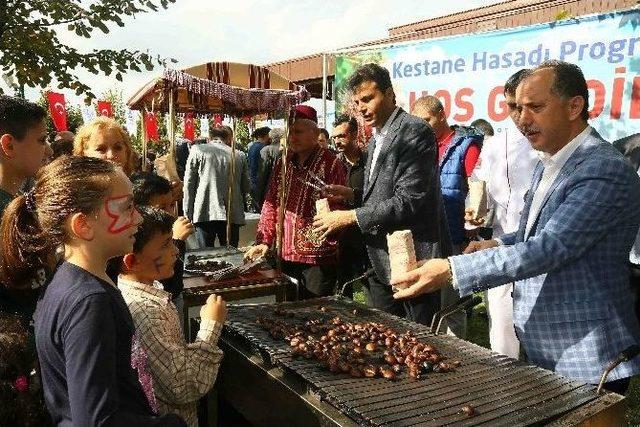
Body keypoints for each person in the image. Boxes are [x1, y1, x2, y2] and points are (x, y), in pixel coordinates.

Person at [392, 61, 640, 394]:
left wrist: (452, 269)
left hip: (586, 354)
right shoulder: (551, 161)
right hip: (548, 342)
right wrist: (496, 244)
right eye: (518, 108)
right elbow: (531, 236)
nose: (522, 120)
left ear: (574, 106)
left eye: (535, 107)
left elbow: (550, 248)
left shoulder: (601, 169)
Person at [0, 156, 185, 425]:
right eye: (128, 208)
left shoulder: (70, 279)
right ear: (83, 225)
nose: (138, 218)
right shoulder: (89, 302)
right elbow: (97, 420)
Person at [312, 63, 451, 324]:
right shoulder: (376, 138)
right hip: (379, 259)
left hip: (411, 257)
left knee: (417, 344)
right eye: (356, 102)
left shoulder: (414, 131)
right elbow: (385, 192)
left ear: (389, 95)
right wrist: (353, 194)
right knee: (386, 338)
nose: (361, 108)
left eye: (367, 99)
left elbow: (410, 200)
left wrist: (349, 216)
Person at [117, 206, 226, 426]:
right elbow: (184, 385)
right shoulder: (146, 312)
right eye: (166, 245)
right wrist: (210, 326)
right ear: (132, 261)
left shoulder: (149, 291)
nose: (176, 251)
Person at [466, 70, 539, 358]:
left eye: (526, 106)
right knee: (502, 336)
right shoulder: (496, 144)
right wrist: (476, 212)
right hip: (500, 247)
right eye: (512, 107)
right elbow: (479, 187)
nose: (519, 115)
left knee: (538, 341)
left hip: (541, 250)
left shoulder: (553, 143)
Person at [245, 105, 347, 298]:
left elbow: (339, 209)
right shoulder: (282, 164)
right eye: (289, 132)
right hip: (284, 253)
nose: (292, 138)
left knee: (316, 314)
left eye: (298, 132)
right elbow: (270, 203)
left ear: (315, 133)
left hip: (318, 258)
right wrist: (265, 240)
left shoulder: (332, 163)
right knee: (286, 312)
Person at [412, 95, 483, 252]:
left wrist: (469, 229)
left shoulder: (466, 146)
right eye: (419, 124)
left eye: (427, 120)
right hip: (427, 235)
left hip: (456, 236)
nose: (423, 128)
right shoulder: (420, 149)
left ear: (442, 115)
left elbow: (476, 191)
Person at [131, 172, 194, 303]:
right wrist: (177, 241)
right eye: (162, 208)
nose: (170, 213)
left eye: (171, 205)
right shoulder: (140, 239)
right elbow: (172, 287)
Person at [183, 127, 249, 248]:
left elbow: (189, 184)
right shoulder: (239, 155)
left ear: (210, 136)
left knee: (205, 255)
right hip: (231, 213)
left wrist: (188, 212)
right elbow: (246, 187)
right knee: (231, 255)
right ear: (229, 138)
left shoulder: (197, 150)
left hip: (204, 211)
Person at [329, 114, 369, 297]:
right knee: (343, 284)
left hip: (367, 229)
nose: (337, 141)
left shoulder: (370, 161)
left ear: (354, 134)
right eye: (334, 137)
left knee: (371, 283)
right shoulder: (333, 164)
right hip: (343, 233)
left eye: (341, 136)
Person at [0, 96, 50, 216]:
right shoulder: (9, 214)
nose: (50, 151)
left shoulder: (19, 202)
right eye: (42, 140)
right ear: (9, 146)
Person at [255, 127, 283, 210]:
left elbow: (262, 173)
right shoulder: (287, 149)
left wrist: (258, 195)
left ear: (270, 138)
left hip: (270, 187)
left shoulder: (266, 150)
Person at [247, 126, 271, 211]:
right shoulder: (262, 148)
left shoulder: (253, 146)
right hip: (258, 182)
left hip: (252, 180)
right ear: (267, 135)